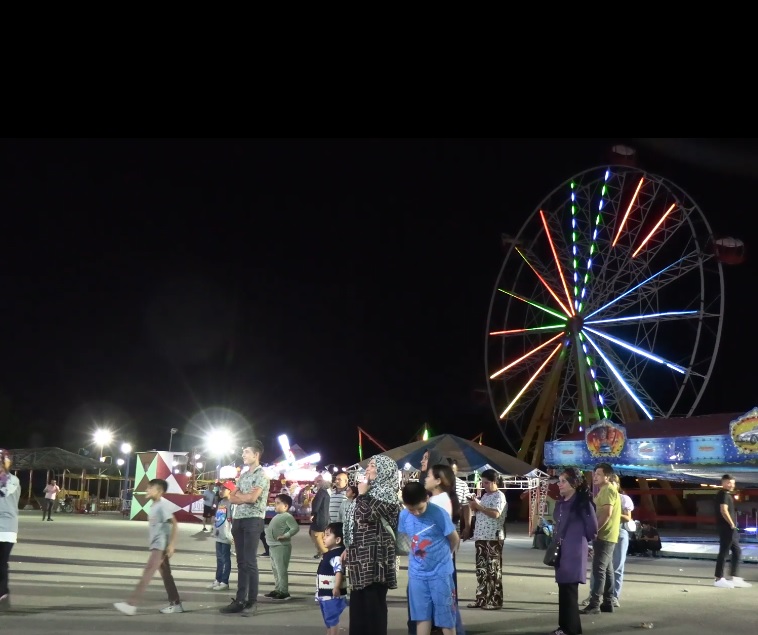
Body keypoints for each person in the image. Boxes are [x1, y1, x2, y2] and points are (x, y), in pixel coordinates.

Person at [344, 454, 401, 635]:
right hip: (359, 554)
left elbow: (365, 515)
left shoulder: (388, 494)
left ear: (384, 471)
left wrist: (361, 495)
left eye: (373, 465)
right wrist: (348, 547)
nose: (367, 468)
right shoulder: (370, 490)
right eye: (368, 465)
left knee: (373, 603)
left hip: (376, 558)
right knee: (358, 602)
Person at [114, 478, 183, 615]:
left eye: (150, 488)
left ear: (159, 491)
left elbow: (174, 523)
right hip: (158, 545)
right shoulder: (154, 505)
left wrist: (171, 545)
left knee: (147, 574)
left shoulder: (162, 505)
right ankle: (176, 604)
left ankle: (131, 605)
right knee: (166, 576)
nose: (147, 490)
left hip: (160, 546)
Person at [399, 481, 459, 635]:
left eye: (419, 508)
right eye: (411, 510)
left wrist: (446, 557)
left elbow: (454, 539)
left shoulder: (438, 513)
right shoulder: (404, 515)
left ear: (426, 498)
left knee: (446, 617)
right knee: (421, 617)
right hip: (417, 574)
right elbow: (406, 541)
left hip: (440, 573)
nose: (416, 513)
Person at [220, 441, 271, 615]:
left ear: (256, 455)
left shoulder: (262, 475)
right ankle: (240, 600)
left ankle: (252, 601)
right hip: (239, 520)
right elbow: (231, 498)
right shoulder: (243, 476)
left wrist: (243, 496)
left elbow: (253, 498)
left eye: (247, 452)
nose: (243, 455)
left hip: (253, 520)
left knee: (250, 562)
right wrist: (244, 496)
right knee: (241, 562)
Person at [552, 467, 598, 635]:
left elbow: (593, 528)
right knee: (564, 591)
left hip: (574, 551)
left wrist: (583, 543)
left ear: (574, 483)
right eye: (559, 481)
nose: (559, 484)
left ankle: (569, 630)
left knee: (570, 592)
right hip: (562, 551)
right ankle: (566, 627)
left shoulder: (583, 503)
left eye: (563, 481)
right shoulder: (562, 503)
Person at [425, 463, 466, 635]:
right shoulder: (438, 500)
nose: (425, 479)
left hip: (436, 564)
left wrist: (444, 555)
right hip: (435, 562)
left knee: (445, 611)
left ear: (438, 481)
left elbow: (451, 536)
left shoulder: (438, 502)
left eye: (428, 476)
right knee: (443, 608)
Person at [581, 462, 621, 615]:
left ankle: (595, 604)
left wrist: (594, 530)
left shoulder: (608, 490)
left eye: (598, 474)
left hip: (604, 535)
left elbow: (607, 513)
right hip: (609, 534)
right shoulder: (607, 490)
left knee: (598, 570)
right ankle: (608, 602)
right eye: (594, 473)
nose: (594, 476)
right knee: (608, 569)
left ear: (607, 476)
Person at [467, 468, 506, 610]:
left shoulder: (499, 496)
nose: (484, 485)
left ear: (495, 482)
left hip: (493, 537)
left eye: (487, 482)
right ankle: (481, 599)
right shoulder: (484, 496)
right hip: (481, 537)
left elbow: (496, 514)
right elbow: (480, 510)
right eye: (483, 483)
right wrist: (475, 505)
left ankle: (495, 600)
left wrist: (479, 506)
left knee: (493, 570)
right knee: (481, 569)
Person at [713, 474, 752, 588]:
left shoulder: (726, 494)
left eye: (733, 483)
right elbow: (724, 510)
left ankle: (735, 577)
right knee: (724, 552)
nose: (732, 485)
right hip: (727, 528)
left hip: (729, 528)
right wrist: (731, 524)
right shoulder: (723, 494)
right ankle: (718, 578)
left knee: (737, 551)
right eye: (729, 483)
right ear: (723, 483)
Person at [263, 493, 300, 600]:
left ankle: (284, 591)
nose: (275, 505)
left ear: (286, 506)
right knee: (275, 570)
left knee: (281, 570)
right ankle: (278, 589)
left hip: (281, 546)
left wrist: (285, 535)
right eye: (275, 503)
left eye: (278, 503)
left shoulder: (287, 516)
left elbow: (295, 528)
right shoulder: (278, 516)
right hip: (273, 546)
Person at [316, 522, 348, 635]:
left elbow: (339, 571)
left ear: (338, 540)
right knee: (328, 619)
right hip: (325, 593)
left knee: (332, 619)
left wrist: (336, 587)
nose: (324, 537)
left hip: (331, 594)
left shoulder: (336, 556)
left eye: (328, 535)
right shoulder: (330, 554)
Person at [0, 449, 20, 611]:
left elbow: (5, 491)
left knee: (1, 562)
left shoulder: (13, 480)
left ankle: (3, 591)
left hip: (7, 528)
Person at [208, 480, 235, 591]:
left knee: (225, 559)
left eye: (224, 488)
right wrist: (215, 529)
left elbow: (234, 520)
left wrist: (233, 535)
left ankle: (225, 582)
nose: (221, 491)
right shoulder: (221, 502)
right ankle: (218, 580)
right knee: (219, 559)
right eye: (220, 488)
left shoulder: (232, 503)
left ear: (230, 490)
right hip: (219, 534)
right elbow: (218, 517)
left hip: (227, 535)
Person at [310, 474, 331, 558]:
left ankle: (326, 555)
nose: (316, 483)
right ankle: (321, 552)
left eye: (317, 481)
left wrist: (313, 514)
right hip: (324, 518)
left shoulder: (321, 492)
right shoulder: (325, 492)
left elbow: (316, 505)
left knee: (317, 536)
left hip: (320, 518)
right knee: (317, 535)